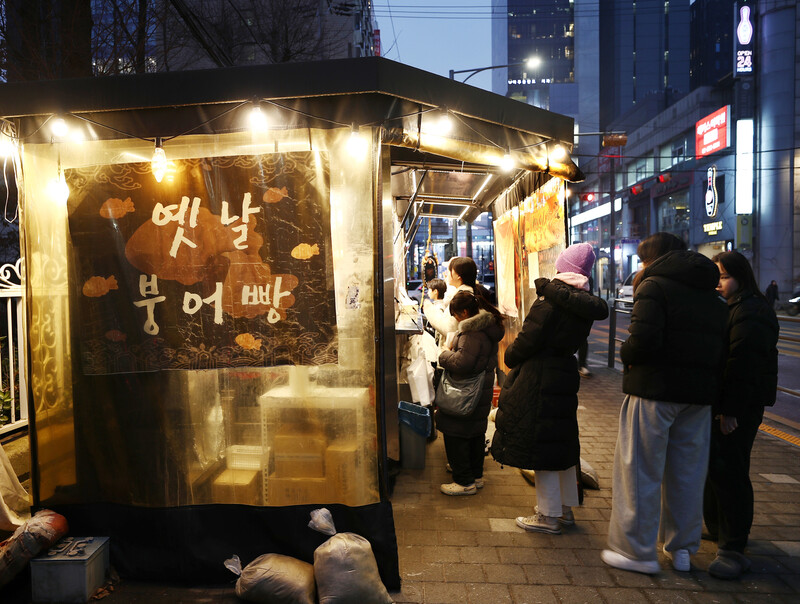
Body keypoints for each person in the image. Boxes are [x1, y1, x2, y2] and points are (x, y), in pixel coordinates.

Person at [601, 232, 727, 574]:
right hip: (698, 397)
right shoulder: (711, 292)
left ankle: (636, 551)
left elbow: (642, 340)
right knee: (687, 473)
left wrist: (626, 354)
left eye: (644, 258)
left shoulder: (654, 286)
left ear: (653, 258)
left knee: (639, 471)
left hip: (654, 390)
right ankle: (682, 550)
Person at [491, 243, 608, 533]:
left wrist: (509, 356)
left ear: (562, 267)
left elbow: (528, 340)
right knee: (560, 444)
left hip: (539, 376)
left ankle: (548, 515)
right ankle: (565, 509)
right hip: (563, 373)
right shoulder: (583, 302)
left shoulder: (549, 301)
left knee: (540, 444)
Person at [703, 251, 779, 580]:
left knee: (730, 471)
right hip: (727, 402)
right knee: (717, 468)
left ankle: (733, 547)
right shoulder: (734, 306)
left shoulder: (752, 311)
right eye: (716, 277)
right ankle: (719, 530)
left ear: (741, 276)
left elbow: (743, 365)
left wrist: (730, 410)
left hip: (739, 407)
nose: (718, 283)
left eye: (724, 276)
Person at [437, 290, 505, 495]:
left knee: (455, 433)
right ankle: (475, 476)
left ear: (465, 312)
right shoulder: (486, 328)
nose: (456, 319)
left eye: (456, 315)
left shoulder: (472, 333)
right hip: (480, 391)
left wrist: (444, 355)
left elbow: (463, 363)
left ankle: (464, 482)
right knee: (475, 434)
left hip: (467, 392)